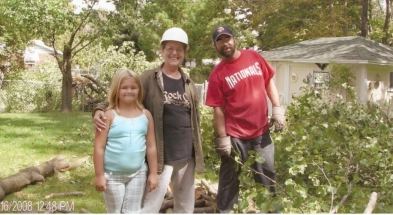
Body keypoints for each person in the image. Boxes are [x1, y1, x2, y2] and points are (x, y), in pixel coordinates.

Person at [94, 27, 204, 213]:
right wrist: (98, 109)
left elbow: (194, 119)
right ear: (162, 50)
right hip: (161, 155)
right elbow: (123, 91)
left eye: (179, 49)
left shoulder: (188, 83)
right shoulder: (148, 78)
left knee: (185, 205)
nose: (174, 53)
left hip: (186, 155)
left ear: (185, 53)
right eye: (170, 48)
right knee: (149, 206)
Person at [205, 25, 286, 213]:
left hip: (261, 133)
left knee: (268, 178)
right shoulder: (217, 75)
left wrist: (278, 108)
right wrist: (222, 137)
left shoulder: (254, 57)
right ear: (215, 46)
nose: (225, 43)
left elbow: (268, 82)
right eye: (220, 40)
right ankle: (225, 211)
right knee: (229, 180)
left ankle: (272, 212)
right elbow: (217, 110)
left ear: (235, 39)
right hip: (235, 137)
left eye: (227, 38)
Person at [93, 69, 158, 213]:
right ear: (116, 90)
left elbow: (151, 146)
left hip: (138, 173)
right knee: (115, 211)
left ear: (139, 90)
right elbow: (99, 147)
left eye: (133, 87)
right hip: (112, 176)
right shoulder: (108, 115)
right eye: (124, 87)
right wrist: (99, 175)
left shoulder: (146, 115)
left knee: (133, 211)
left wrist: (153, 173)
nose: (129, 91)